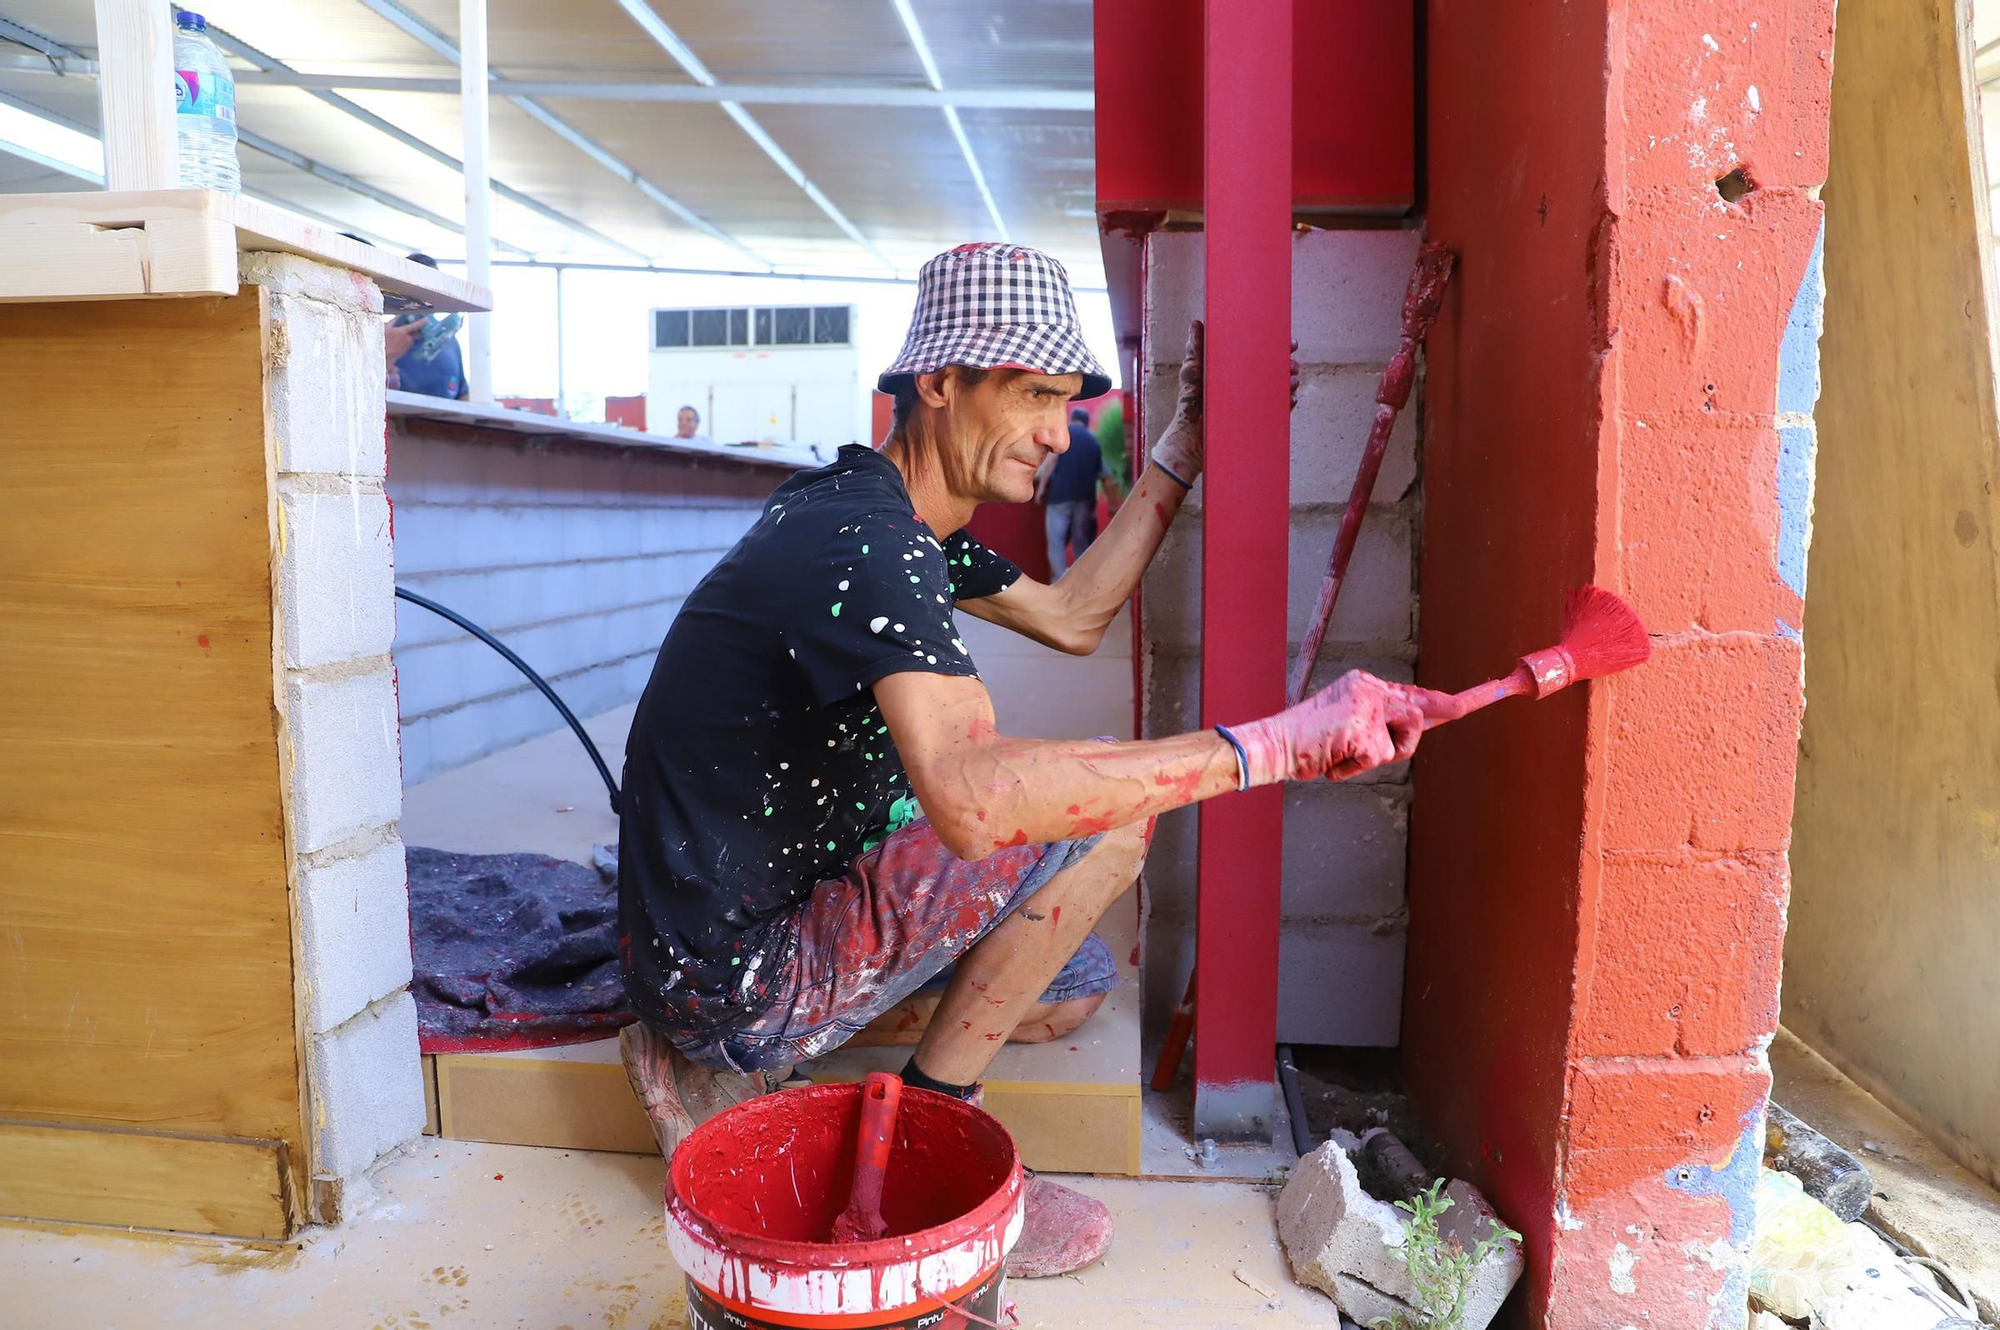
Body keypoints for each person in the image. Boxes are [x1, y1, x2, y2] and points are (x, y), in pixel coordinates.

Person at [614, 242, 1457, 1277]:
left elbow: (1071, 615)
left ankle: (756, 1051)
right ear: (938, 382)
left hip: (739, 915)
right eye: (1033, 397)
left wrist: (1183, 444)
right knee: (1101, 815)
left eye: (1067, 401)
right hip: (737, 964)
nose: (1058, 435)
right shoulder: (864, 545)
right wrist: (1268, 745)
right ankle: (922, 1121)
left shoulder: (881, 514)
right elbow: (970, 803)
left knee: (1072, 986)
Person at [1037, 406, 1106, 577]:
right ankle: (1079, 583)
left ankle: (1060, 582)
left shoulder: (1063, 436)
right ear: (1087, 423)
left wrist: (1041, 488)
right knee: (1080, 543)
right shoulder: (1093, 441)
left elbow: (1052, 461)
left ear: (1071, 419)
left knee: (1056, 543)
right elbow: (1104, 476)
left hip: (1059, 498)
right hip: (1084, 500)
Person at [388, 254, 468, 400]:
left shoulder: (449, 342)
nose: (430, 293)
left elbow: (463, 393)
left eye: (435, 286)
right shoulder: (383, 339)